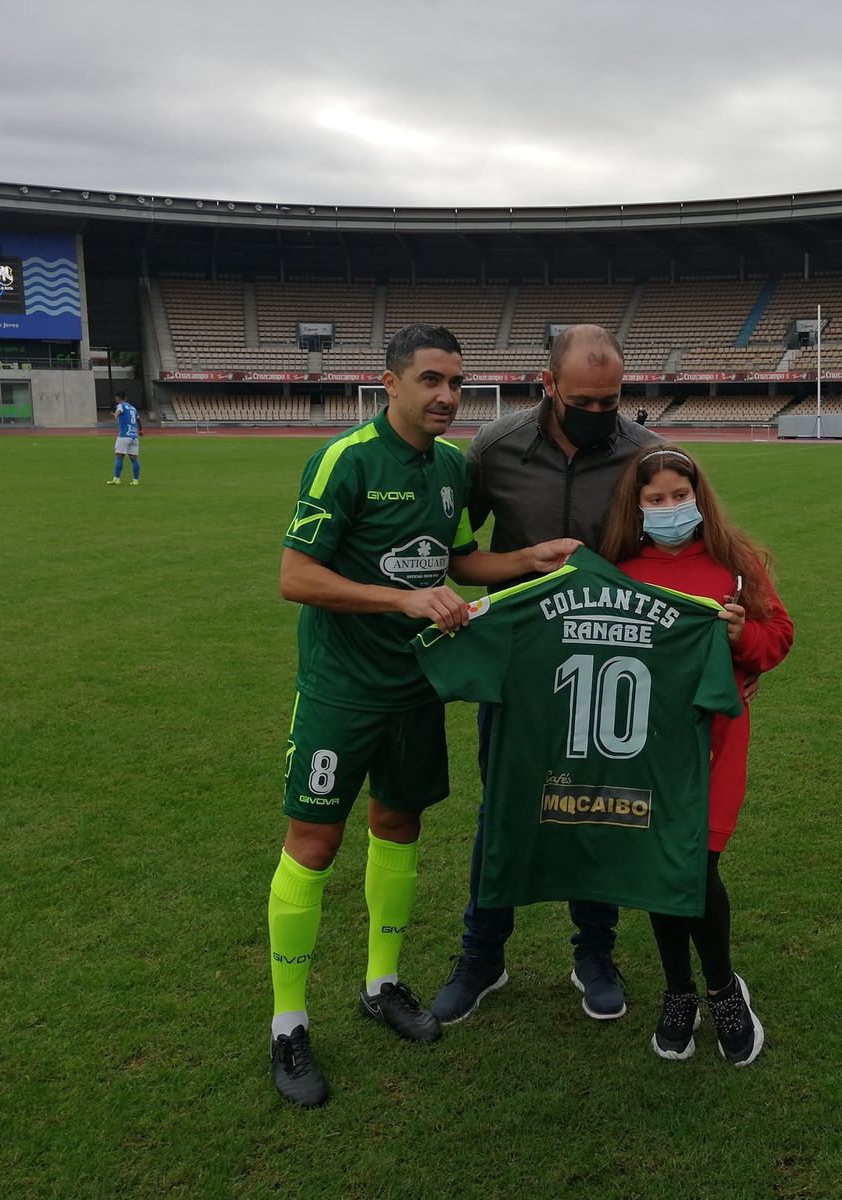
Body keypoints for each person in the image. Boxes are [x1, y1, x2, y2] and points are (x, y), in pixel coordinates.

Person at [266, 323, 577, 1108]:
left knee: (399, 827)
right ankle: (288, 1022)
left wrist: (523, 562)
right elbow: (297, 576)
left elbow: (454, 559)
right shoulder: (345, 459)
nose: (446, 397)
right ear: (391, 382)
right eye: (432, 380)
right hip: (341, 688)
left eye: (456, 384)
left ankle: (382, 984)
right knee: (315, 840)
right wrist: (401, 598)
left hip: (415, 686)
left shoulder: (449, 468)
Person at [429, 324, 659, 1026]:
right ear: (549, 386)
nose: (601, 412)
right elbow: (456, 557)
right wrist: (525, 564)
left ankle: (595, 953)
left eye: (613, 400)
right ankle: (481, 956)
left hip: (610, 658)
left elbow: (677, 555)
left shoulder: (645, 455)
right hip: (520, 663)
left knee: (599, 803)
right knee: (501, 806)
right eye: (586, 399)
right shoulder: (495, 449)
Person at [598, 443, 793, 1066]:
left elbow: (777, 638)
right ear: (637, 506)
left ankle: (720, 988)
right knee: (661, 862)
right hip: (644, 746)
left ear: (699, 496)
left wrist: (743, 637)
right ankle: (678, 991)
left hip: (715, 744)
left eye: (679, 496)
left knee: (696, 864)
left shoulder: (737, 565)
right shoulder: (617, 570)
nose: (669, 508)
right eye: (655, 499)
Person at [108, 391, 141, 484]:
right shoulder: (133, 408)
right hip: (134, 436)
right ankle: (135, 480)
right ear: (126, 398)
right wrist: (141, 430)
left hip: (124, 436)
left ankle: (116, 479)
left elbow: (119, 411)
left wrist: (116, 415)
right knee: (134, 459)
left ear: (117, 398)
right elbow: (138, 420)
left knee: (119, 456)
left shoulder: (120, 405)